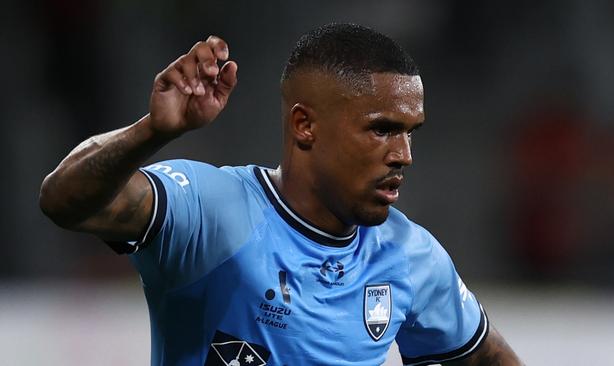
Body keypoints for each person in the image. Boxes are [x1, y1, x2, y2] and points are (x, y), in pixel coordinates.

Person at [40, 23, 523, 366]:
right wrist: (150, 132)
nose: (403, 154)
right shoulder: (213, 211)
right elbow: (63, 200)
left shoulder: (413, 257)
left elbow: (486, 357)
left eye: (410, 132)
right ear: (305, 125)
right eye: (382, 130)